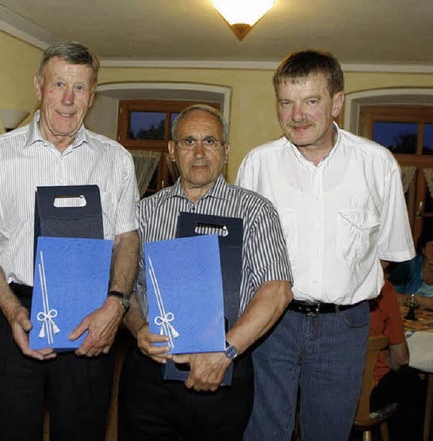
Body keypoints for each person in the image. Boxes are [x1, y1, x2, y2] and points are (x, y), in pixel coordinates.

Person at [237, 49, 415, 441]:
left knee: (330, 433)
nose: (296, 114)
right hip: (273, 324)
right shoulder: (257, 164)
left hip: (345, 326)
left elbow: (388, 255)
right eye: (286, 102)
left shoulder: (377, 164)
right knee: (264, 431)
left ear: (337, 103)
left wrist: (341, 286)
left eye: (311, 101)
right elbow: (242, 253)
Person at [0, 41, 140, 441]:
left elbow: (127, 239)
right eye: (59, 84)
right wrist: (11, 311)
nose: (67, 99)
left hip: (90, 314)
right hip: (14, 310)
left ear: (92, 96)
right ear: (38, 85)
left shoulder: (115, 159)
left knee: (83, 430)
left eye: (80, 88)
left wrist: (115, 306)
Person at [117, 104, 294, 441]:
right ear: (171, 150)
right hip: (149, 374)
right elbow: (128, 288)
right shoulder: (143, 212)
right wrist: (138, 327)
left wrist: (224, 352)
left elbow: (278, 291)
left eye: (210, 142)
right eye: (188, 142)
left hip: (223, 372)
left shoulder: (255, 211)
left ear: (226, 151)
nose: (199, 153)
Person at [369, 280, 425, 441]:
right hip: (368, 393)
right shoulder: (383, 288)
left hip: (327, 389)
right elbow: (401, 358)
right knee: (411, 381)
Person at [390, 229, 433, 309]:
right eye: (432, 246)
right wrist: (426, 302)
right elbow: (390, 296)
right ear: (423, 249)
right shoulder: (409, 266)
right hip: (409, 315)